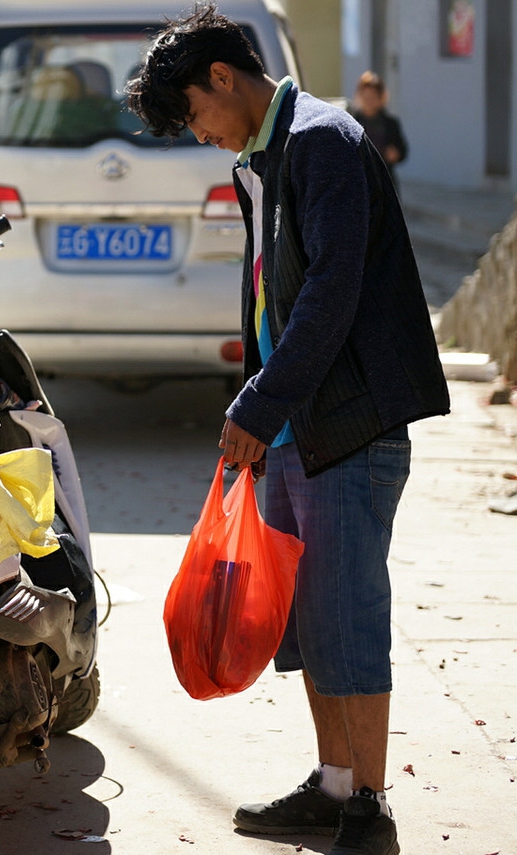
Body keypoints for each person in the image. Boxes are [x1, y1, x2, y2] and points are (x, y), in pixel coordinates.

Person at [125, 7, 449, 855]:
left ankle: (370, 808)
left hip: (350, 423)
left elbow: (330, 296)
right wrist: (261, 410)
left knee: (346, 617)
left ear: (225, 78)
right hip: (296, 423)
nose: (200, 135)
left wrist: (259, 405)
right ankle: (334, 784)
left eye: (195, 114)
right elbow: (274, 295)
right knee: (307, 620)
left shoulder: (325, 144)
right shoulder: (263, 156)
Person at [349, 71, 408, 188]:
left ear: (381, 97)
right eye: (366, 96)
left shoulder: (390, 123)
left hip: (384, 181)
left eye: (373, 97)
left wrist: (395, 154)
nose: (369, 100)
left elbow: (403, 150)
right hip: (359, 181)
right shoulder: (351, 123)